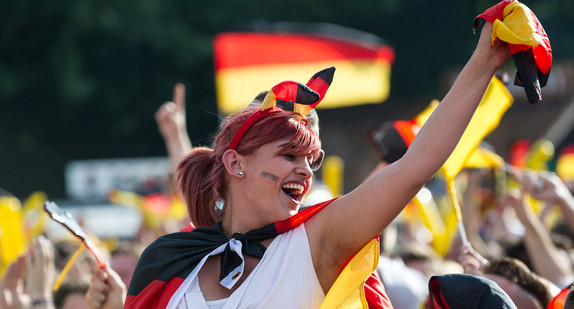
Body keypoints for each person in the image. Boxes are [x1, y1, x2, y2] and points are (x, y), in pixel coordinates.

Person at [126, 20, 511, 308]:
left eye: (311, 160)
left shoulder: (316, 242)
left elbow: (416, 165)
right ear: (235, 163)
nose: (306, 171)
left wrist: (486, 59)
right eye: (289, 155)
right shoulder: (167, 260)